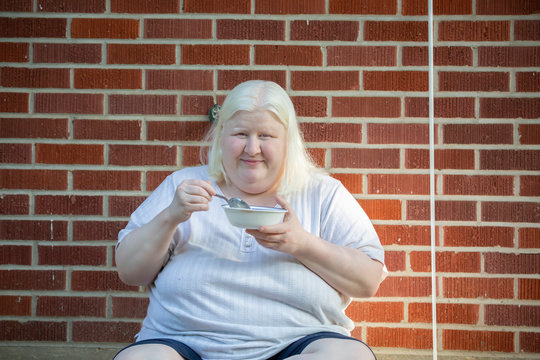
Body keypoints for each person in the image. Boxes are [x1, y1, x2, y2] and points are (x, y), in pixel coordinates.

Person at [114, 80, 387, 360]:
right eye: (241, 133)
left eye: (266, 136)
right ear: (222, 135)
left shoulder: (323, 193)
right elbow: (130, 272)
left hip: (299, 345)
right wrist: (170, 217)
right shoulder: (183, 185)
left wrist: (302, 244)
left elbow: (367, 282)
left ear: (288, 141)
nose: (252, 148)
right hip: (183, 345)